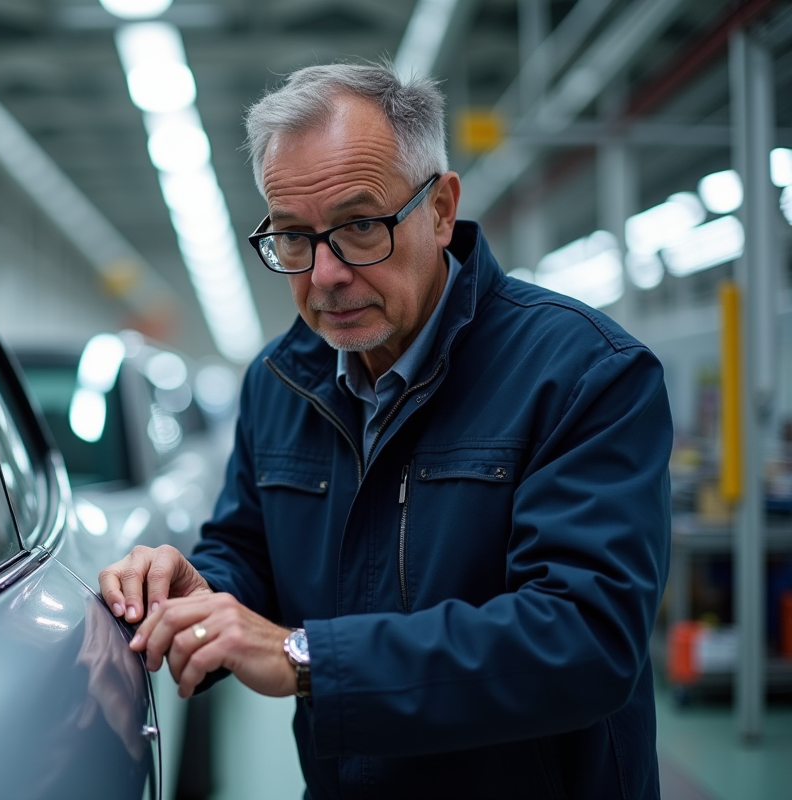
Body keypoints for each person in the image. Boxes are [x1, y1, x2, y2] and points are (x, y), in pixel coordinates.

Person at [98, 62, 671, 798]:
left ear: (440, 208)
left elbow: (585, 639)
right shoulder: (280, 381)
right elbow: (250, 549)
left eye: (360, 226)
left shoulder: (586, 373)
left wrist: (309, 659)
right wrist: (202, 590)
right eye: (294, 238)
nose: (326, 272)